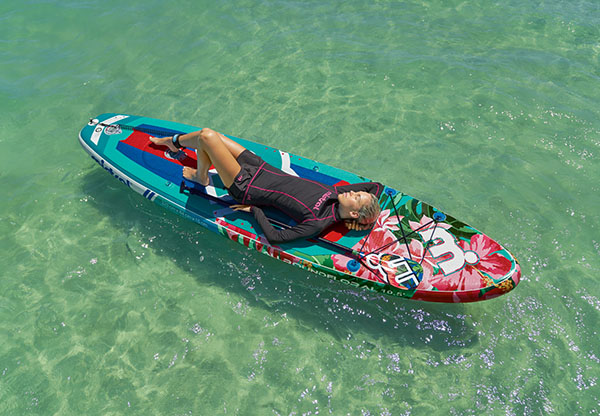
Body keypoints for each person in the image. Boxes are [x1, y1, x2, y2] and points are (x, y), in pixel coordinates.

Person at [150, 128, 382, 244]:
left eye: (357, 197)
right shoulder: (337, 194)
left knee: (207, 137)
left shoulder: (317, 222)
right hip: (259, 166)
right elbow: (376, 186)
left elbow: (275, 237)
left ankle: (198, 173)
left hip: (245, 185)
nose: (354, 191)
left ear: (353, 212)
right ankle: (174, 143)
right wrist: (369, 216)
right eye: (358, 192)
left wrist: (255, 211)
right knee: (209, 135)